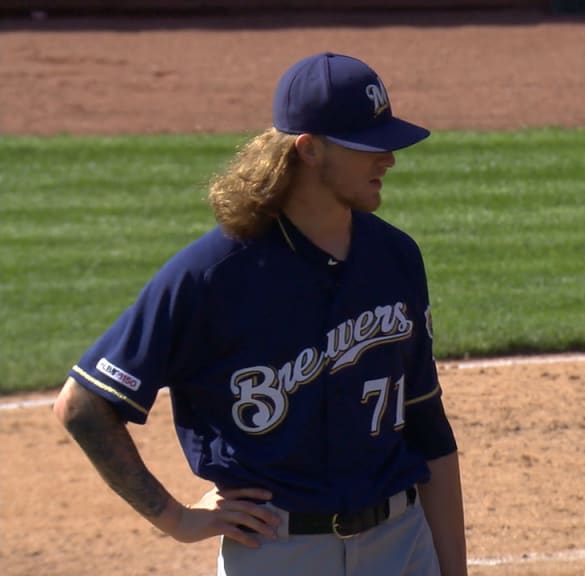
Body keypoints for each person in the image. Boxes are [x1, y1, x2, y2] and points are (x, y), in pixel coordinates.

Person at [53, 52, 467, 576]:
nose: (389, 158)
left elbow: (427, 425)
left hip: (401, 544)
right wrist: (175, 518)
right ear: (309, 150)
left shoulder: (396, 257)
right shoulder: (213, 274)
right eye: (368, 146)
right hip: (279, 555)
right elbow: (83, 405)